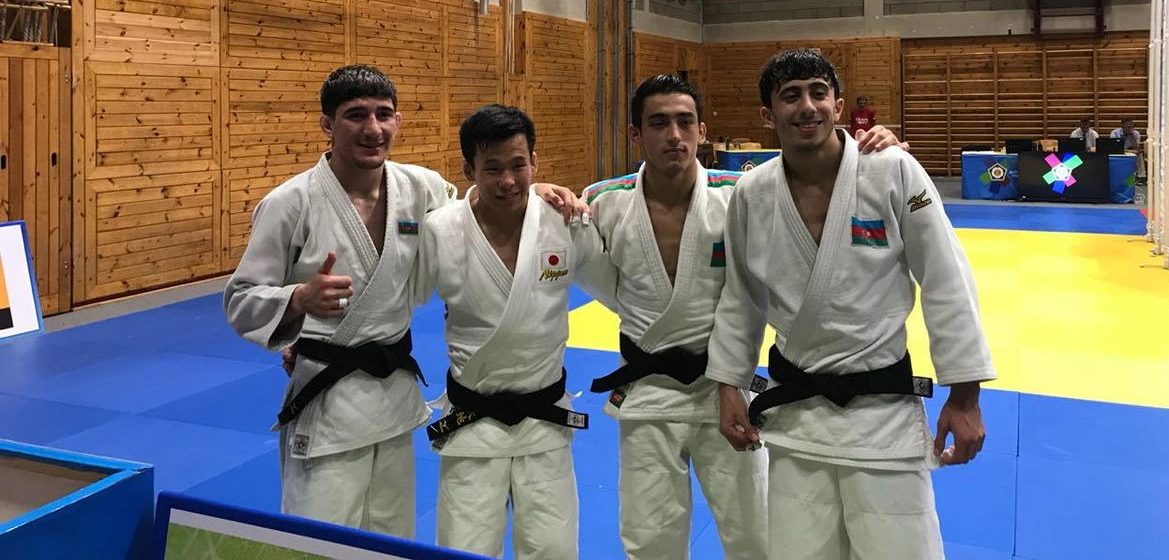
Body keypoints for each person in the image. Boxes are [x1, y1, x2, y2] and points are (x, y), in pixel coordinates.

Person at [224, 67, 580, 538]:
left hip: (393, 403)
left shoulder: (420, 187)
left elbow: (482, 204)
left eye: (383, 114)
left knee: (393, 539)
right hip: (328, 404)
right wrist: (297, 300)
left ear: (397, 121)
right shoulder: (289, 203)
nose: (372, 128)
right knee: (321, 542)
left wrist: (535, 192)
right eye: (356, 115)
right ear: (327, 124)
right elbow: (241, 298)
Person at [583, 74, 907, 560]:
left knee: (756, 534)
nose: (674, 135)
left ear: (702, 131)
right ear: (635, 134)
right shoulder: (602, 201)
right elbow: (561, 243)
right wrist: (543, 191)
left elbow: (820, 182)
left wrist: (875, 157)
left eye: (685, 122)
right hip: (648, 394)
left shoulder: (742, 193)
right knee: (649, 538)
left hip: (726, 391)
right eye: (658, 123)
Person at [706, 49, 994, 560]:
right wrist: (729, 384)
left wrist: (965, 396)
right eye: (790, 96)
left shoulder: (893, 170)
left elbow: (946, 278)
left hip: (883, 416)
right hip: (796, 418)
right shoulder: (751, 193)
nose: (807, 106)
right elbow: (742, 296)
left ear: (838, 106)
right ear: (768, 116)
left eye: (818, 92)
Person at [412, 104, 617, 560]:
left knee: (554, 551)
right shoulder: (440, 230)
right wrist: (315, 340)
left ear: (535, 163)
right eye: (492, 168)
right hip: (471, 424)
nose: (507, 180)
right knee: (463, 550)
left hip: (545, 422)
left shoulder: (565, 222)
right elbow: (395, 303)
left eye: (518, 165)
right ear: (468, 170)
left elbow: (621, 292)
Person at [1110, 117, 1145, 182]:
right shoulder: (1115, 133)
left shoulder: (1136, 134)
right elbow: (1114, 148)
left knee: (1139, 155)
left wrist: (1132, 138)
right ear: (1123, 127)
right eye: (1129, 127)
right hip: (1117, 153)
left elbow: (1137, 150)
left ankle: (1141, 177)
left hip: (1129, 152)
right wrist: (1126, 151)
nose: (1131, 129)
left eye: (1132, 127)